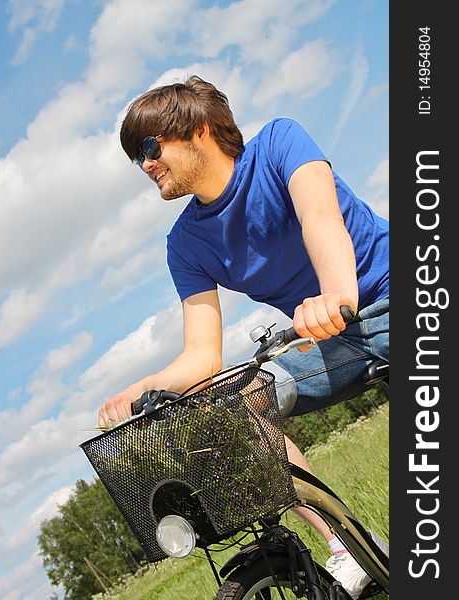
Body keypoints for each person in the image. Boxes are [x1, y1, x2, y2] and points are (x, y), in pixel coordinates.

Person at [98, 75, 389, 598]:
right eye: (136, 157)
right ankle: (351, 547)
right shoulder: (185, 243)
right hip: (332, 338)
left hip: (396, 298)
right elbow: (202, 355)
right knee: (238, 405)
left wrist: (337, 294)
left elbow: (321, 219)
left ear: (199, 129)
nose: (145, 165)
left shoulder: (280, 143)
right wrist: (138, 389)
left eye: (150, 146)